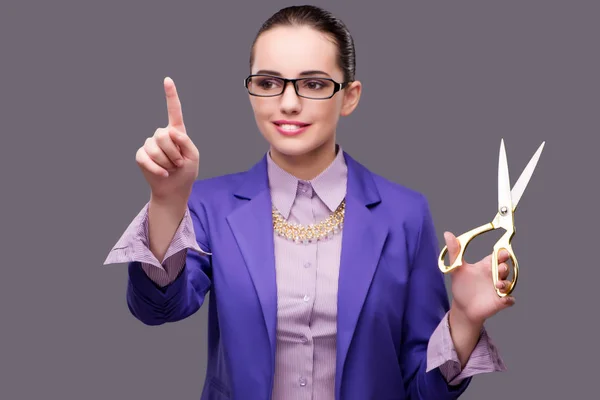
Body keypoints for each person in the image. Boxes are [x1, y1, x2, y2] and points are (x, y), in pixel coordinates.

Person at [104, 5, 514, 400]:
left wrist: (464, 320)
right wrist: (167, 201)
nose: (288, 103)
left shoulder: (404, 214)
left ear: (349, 96)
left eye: (313, 84)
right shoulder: (211, 205)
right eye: (268, 82)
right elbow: (157, 308)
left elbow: (424, 390)